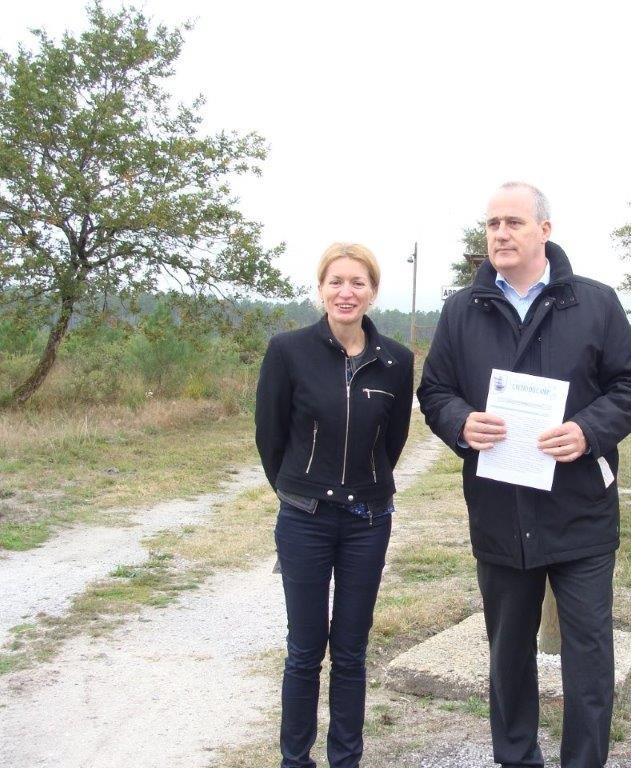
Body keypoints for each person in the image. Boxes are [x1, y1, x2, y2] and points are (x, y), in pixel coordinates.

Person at [418, 182, 631, 767]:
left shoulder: (595, 303)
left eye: (513, 223)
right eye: (492, 223)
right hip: (500, 511)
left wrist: (588, 431)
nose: (500, 233)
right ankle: (517, 759)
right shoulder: (461, 309)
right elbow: (435, 391)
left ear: (544, 231)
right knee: (507, 655)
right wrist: (460, 422)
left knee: (589, 656)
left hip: (580, 514)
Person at [255, 242, 414, 768]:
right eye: (336, 282)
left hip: (369, 521)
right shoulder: (288, 350)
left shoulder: (396, 360)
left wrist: (367, 489)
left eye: (358, 283)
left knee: (350, 651)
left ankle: (346, 758)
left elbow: (392, 443)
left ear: (373, 291)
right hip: (305, 519)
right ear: (321, 288)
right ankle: (294, 759)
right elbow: (270, 437)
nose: (347, 292)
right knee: (304, 651)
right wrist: (299, 490)